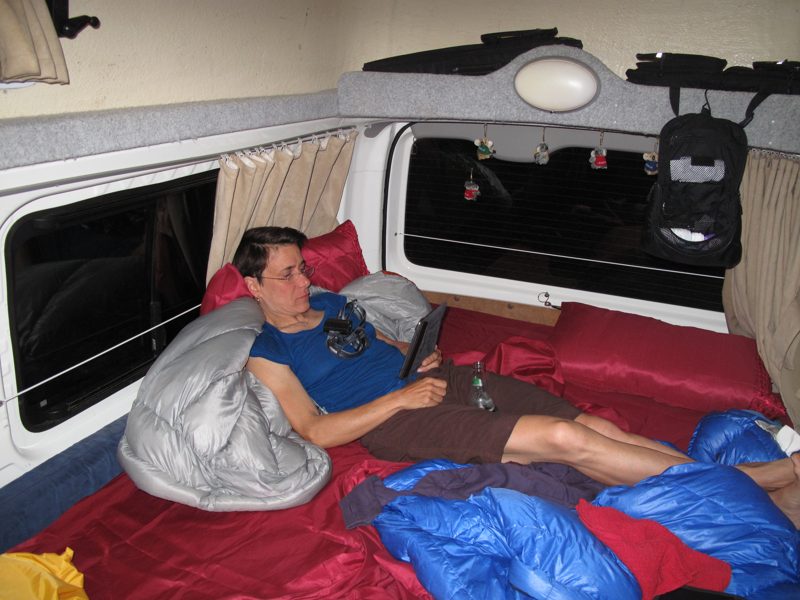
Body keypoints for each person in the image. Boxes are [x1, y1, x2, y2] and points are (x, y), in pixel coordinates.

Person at [234, 226, 800, 527]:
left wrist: (416, 352)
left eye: (304, 268)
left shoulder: (331, 301)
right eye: (288, 276)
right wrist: (401, 398)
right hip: (395, 420)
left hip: (441, 379)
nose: (304, 282)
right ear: (254, 286)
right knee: (564, 439)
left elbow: (380, 343)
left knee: (598, 425)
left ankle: (743, 489)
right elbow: (316, 431)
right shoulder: (268, 349)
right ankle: (755, 481)